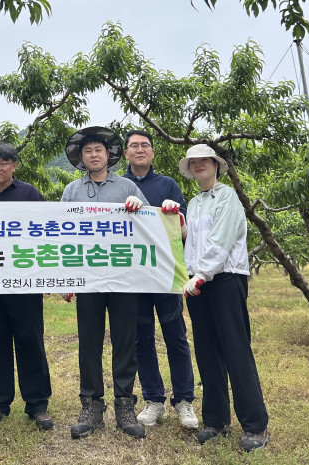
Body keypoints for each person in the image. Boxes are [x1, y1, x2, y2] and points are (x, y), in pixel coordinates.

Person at [60, 126, 149, 439]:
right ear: (81, 157)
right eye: (88, 151)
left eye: (98, 149)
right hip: (88, 278)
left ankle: (125, 405)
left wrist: (140, 207)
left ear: (108, 154)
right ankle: (91, 405)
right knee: (89, 341)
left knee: (125, 341)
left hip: (124, 278)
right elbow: (62, 235)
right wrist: (66, 278)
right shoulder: (71, 191)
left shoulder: (127, 187)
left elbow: (149, 225)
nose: (94, 155)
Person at [180, 144, 269, 452]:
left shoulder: (227, 196)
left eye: (204, 160)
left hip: (225, 279)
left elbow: (221, 239)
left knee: (235, 349)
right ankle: (216, 420)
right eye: (193, 162)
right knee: (207, 351)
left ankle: (255, 425)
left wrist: (202, 274)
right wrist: (177, 225)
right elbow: (191, 241)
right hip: (197, 284)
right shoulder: (194, 203)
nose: (199, 164)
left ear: (215, 164)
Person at [122, 129, 198, 429]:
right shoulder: (119, 186)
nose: (140, 149)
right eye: (134, 145)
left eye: (145, 145)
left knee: (175, 335)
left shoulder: (168, 185)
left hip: (166, 274)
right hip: (134, 275)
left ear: (153, 152)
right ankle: (153, 400)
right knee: (141, 339)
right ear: (126, 153)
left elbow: (184, 228)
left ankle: (184, 400)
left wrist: (174, 212)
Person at [0, 143, 53, 430]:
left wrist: (46, 274)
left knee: (30, 340)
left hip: (24, 279)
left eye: (4, 163)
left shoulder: (30, 194)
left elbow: (47, 232)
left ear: (14, 166)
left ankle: (37, 404)